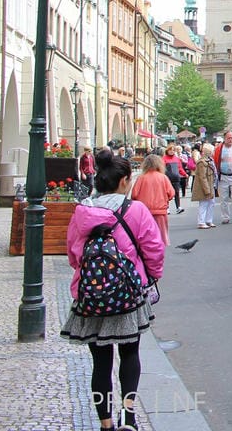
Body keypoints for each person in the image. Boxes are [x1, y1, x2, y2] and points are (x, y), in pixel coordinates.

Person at [61, 150, 165, 430]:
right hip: (129, 294)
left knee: (101, 362)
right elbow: (154, 249)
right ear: (123, 181)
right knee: (130, 354)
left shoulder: (83, 211)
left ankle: (106, 424)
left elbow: (73, 254)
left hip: (91, 296)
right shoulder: (135, 210)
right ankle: (129, 416)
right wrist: (151, 276)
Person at [130, 155, 174, 246]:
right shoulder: (163, 177)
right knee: (161, 237)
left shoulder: (141, 178)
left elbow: (134, 194)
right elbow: (171, 193)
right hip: (160, 210)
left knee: (146, 237)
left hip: (144, 211)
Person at [191, 143, 218, 229]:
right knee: (204, 203)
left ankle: (209, 220)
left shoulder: (210, 160)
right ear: (209, 152)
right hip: (206, 186)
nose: (214, 152)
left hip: (211, 184)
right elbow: (202, 177)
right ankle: (201, 222)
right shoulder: (202, 162)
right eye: (212, 151)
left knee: (211, 203)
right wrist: (207, 189)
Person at [161, 145, 185, 214]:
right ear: (167, 151)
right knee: (166, 193)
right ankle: (167, 208)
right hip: (167, 178)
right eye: (170, 150)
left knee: (177, 192)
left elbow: (180, 168)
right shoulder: (164, 159)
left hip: (176, 178)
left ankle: (178, 207)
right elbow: (162, 168)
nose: (172, 151)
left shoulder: (177, 159)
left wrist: (184, 174)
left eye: (173, 150)